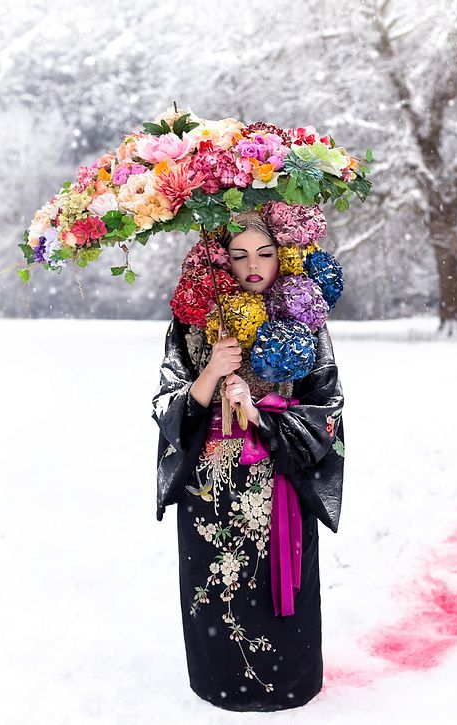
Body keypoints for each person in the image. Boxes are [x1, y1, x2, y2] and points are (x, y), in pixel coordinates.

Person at [151, 210, 345, 712]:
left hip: (279, 475)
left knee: (281, 585)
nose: (253, 266)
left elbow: (326, 408)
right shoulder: (194, 322)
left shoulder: (306, 319)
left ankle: (289, 684)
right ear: (222, 260)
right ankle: (218, 681)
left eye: (265, 253)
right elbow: (165, 406)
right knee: (215, 586)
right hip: (209, 482)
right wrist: (212, 371)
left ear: (285, 255)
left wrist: (261, 417)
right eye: (239, 256)